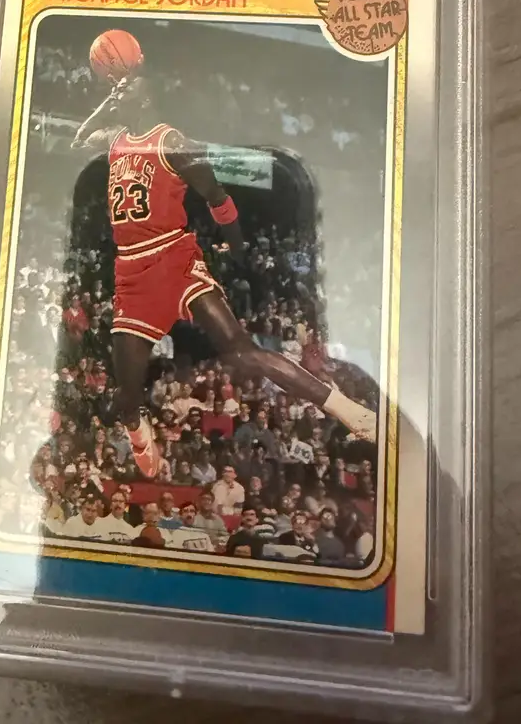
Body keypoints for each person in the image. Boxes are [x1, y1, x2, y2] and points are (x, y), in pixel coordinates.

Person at [71, 72, 377, 477]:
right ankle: (136, 427)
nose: (120, 89)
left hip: (172, 256)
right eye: (118, 86)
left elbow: (217, 197)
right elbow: (79, 140)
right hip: (131, 270)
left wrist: (236, 250)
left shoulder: (172, 143)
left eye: (128, 86)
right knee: (126, 397)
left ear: (146, 99)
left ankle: (348, 410)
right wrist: (106, 104)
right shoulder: (115, 140)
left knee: (240, 350)